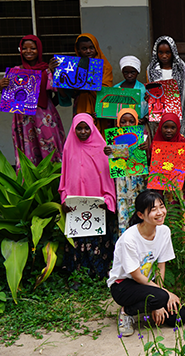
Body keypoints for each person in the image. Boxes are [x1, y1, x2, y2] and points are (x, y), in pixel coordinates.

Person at [109, 190, 185, 337]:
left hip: (145, 284)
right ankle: (126, 312)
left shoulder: (164, 231)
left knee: (179, 316)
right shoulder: (129, 239)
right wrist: (163, 295)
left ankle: (154, 302)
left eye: (161, 206)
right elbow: (137, 276)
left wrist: (159, 296)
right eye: (153, 209)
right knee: (163, 297)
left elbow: (160, 265)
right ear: (140, 215)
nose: (160, 212)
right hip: (123, 286)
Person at [59, 113, 117, 277]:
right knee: (78, 237)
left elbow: (107, 176)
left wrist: (107, 199)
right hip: (75, 203)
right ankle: (77, 274)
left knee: (97, 237)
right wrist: (64, 199)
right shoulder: (69, 147)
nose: (83, 132)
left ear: (92, 128)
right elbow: (64, 177)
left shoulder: (102, 147)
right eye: (79, 128)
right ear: (74, 129)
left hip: (97, 203)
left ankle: (98, 272)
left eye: (86, 128)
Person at [0, 34, 66, 166]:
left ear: (39, 50)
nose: (28, 51)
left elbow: (61, 94)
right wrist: (1, 86)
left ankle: (55, 183)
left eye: (33, 48)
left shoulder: (47, 70)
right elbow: (8, 99)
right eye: (24, 48)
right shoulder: (16, 72)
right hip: (23, 119)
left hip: (44, 117)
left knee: (51, 148)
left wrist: (55, 73)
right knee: (27, 150)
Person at [104, 108, 148, 234]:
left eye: (131, 121)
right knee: (123, 210)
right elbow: (111, 162)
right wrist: (108, 153)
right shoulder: (113, 138)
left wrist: (147, 148)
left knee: (140, 209)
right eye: (123, 121)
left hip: (139, 180)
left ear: (136, 122)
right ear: (118, 123)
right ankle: (125, 239)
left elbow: (149, 160)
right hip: (121, 182)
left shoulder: (143, 138)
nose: (127, 124)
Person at [58, 34, 114, 127]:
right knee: (83, 131)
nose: (88, 51)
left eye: (91, 48)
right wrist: (57, 74)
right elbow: (69, 93)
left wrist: (87, 83)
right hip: (81, 105)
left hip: (99, 107)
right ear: (78, 50)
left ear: (96, 47)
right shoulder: (73, 66)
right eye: (84, 48)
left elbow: (106, 89)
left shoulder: (106, 67)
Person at [146, 36, 185, 136]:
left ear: (173, 52)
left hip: (178, 114)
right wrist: (148, 97)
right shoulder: (151, 70)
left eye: (167, 52)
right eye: (160, 52)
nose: (164, 56)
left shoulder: (182, 68)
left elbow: (184, 92)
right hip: (159, 114)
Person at [115, 56, 149, 121]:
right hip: (121, 126)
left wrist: (144, 119)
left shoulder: (143, 89)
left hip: (138, 126)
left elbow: (147, 110)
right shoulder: (116, 88)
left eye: (133, 72)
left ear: (138, 72)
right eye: (126, 72)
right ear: (122, 72)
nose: (129, 75)